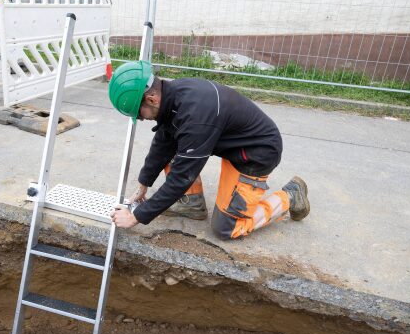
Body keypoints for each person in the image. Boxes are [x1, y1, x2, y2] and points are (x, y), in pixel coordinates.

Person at [108, 60, 310, 240]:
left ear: (151, 99)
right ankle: (192, 203)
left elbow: (182, 177)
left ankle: (290, 196)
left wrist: (136, 217)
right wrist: (144, 183)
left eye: (139, 114)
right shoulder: (173, 96)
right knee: (173, 150)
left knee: (226, 229)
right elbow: (164, 140)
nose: (142, 119)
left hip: (255, 156)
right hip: (234, 146)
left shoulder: (195, 117)